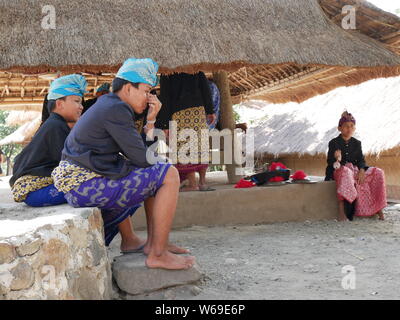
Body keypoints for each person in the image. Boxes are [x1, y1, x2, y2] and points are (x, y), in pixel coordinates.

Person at [52, 58, 194, 270]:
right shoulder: (116, 109)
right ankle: (157, 253)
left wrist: (150, 122)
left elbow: (142, 156)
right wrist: (152, 123)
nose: (150, 98)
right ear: (128, 88)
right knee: (169, 174)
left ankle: (156, 243)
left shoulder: (111, 105)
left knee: (160, 172)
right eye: (146, 91)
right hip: (84, 186)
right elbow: (142, 158)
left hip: (81, 184)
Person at [9, 74, 86, 207]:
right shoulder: (55, 126)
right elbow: (73, 164)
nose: (81, 107)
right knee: (94, 187)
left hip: (36, 190)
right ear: (60, 104)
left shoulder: (55, 124)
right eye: (77, 101)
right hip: (35, 191)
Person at [158, 72, 216, 192]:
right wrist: (210, 110)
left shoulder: (167, 71)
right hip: (197, 110)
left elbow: (165, 97)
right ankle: (202, 183)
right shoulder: (194, 67)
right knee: (201, 146)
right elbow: (205, 88)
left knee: (186, 148)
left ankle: (192, 184)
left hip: (179, 112)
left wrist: (165, 123)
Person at [325, 111, 386, 221]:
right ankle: (342, 209)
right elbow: (330, 163)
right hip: (338, 170)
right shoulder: (333, 143)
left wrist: (362, 170)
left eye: (352, 126)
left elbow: (361, 160)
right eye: (346, 126)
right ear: (339, 128)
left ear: (355, 128)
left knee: (378, 172)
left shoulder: (357, 143)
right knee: (346, 172)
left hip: (355, 170)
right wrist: (337, 159)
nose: (349, 129)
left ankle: (378, 208)